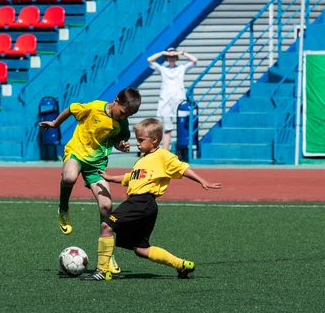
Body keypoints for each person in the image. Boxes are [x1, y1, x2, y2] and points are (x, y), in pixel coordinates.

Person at [81, 118, 221, 281]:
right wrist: (110, 178)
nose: (138, 144)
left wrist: (202, 181)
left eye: (141, 140)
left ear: (155, 140)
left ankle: (102, 271)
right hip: (145, 206)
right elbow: (130, 177)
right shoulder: (143, 160)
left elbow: (183, 168)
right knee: (141, 249)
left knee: (106, 225)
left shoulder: (162, 155)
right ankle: (182, 265)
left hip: (141, 202)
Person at [39, 87, 142, 275]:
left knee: (106, 207)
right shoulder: (95, 107)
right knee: (69, 177)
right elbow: (71, 108)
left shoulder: (122, 123)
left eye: (127, 115)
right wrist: (55, 123)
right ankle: (63, 207)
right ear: (116, 100)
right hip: (76, 152)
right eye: (123, 112)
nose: (123, 116)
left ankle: (107, 254)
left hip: (97, 165)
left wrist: (122, 146)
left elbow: (118, 140)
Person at [147, 48, 198, 151]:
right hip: (166, 102)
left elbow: (194, 60)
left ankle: (183, 150)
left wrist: (182, 53)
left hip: (179, 101)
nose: (171, 58)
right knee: (167, 129)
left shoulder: (181, 68)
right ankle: (166, 151)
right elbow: (149, 60)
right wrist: (162, 52)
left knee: (183, 127)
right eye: (169, 56)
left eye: (173, 56)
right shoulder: (163, 69)